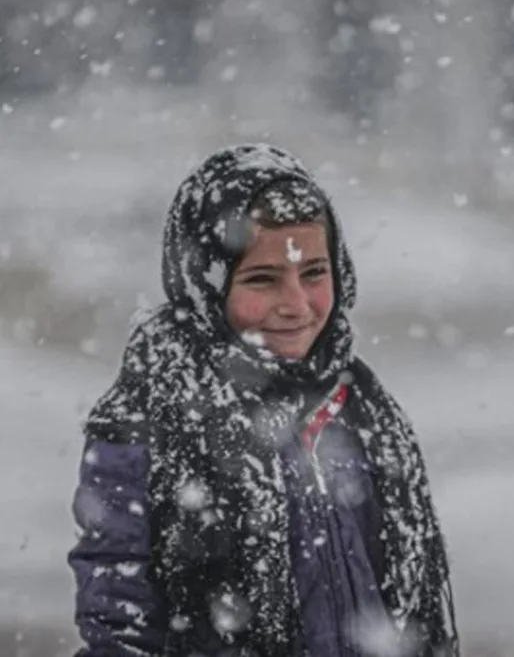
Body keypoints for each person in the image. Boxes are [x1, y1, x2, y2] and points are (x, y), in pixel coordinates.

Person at [67, 143, 459, 657]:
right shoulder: (149, 419)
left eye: (314, 273)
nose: (296, 304)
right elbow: (119, 620)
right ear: (204, 283)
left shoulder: (357, 404)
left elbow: (404, 603)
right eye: (262, 279)